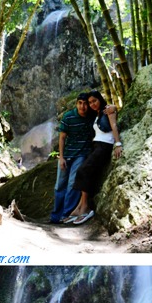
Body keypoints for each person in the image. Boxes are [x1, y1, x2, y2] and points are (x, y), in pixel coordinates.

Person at [64, 89, 122, 225]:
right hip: (96, 146)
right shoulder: (95, 114)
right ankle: (79, 207)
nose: (92, 104)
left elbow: (113, 125)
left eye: (94, 101)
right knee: (84, 172)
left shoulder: (108, 110)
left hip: (104, 146)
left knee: (83, 170)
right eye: (90, 102)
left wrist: (118, 143)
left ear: (100, 99)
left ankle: (85, 208)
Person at [49, 92, 93, 224]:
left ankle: (67, 214)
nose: (83, 106)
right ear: (76, 104)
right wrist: (61, 157)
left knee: (72, 184)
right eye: (80, 103)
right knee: (59, 185)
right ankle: (56, 216)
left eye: (85, 104)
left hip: (81, 155)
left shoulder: (91, 117)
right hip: (67, 155)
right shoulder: (68, 117)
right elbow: (62, 138)